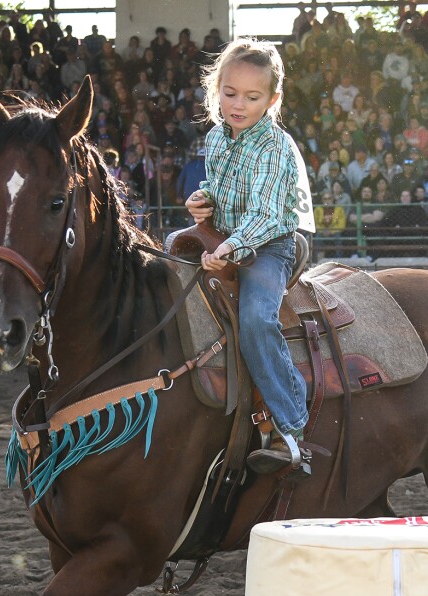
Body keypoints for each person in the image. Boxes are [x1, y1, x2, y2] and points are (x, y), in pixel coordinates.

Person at [186, 38, 313, 474]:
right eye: (230, 93)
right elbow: (221, 192)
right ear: (216, 89)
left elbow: (265, 215)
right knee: (167, 258)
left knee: (258, 319)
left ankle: (291, 421)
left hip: (271, 244)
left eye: (253, 97)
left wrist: (229, 248)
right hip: (227, 236)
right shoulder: (217, 138)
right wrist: (202, 201)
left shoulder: (276, 148)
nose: (238, 105)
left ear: (272, 100)